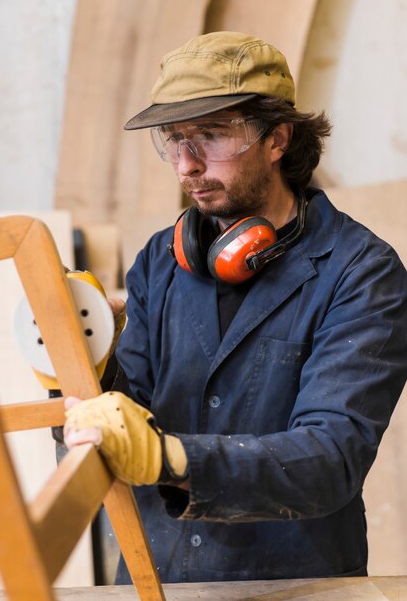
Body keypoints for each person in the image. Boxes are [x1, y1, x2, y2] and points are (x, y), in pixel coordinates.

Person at [64, 31, 407, 584]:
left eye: (209, 136)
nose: (186, 166)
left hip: (292, 583)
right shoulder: (162, 260)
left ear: (277, 139)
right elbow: (131, 412)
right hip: (159, 579)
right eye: (173, 141)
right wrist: (83, 361)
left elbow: (330, 458)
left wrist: (171, 460)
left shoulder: (360, 272)